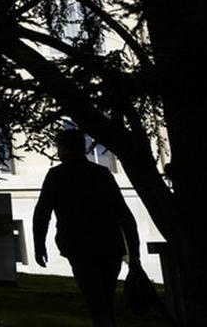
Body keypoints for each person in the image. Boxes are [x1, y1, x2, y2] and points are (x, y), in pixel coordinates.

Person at [32, 128, 140, 327]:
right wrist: (134, 252)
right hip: (109, 245)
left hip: (79, 247)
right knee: (105, 299)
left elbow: (42, 213)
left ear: (63, 148)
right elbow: (124, 215)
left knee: (96, 301)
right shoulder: (101, 173)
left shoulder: (57, 175)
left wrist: (39, 245)